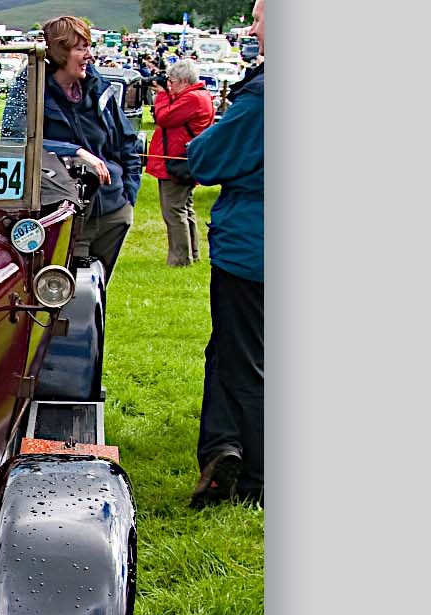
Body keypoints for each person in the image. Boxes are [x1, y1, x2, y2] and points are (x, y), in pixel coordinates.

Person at [187, 0, 264, 508]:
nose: (251, 27)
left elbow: (208, 157)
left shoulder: (264, 96)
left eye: (259, 18)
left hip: (253, 247)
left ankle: (257, 479)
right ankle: (222, 449)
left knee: (246, 363)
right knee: (228, 353)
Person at [36, 15, 143, 280]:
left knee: (96, 291)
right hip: (63, 215)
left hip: (113, 211)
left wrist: (128, 196)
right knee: (62, 292)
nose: (89, 55)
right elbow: (17, 141)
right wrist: (75, 151)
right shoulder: (32, 90)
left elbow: (128, 144)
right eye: (81, 48)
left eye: (89, 47)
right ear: (60, 52)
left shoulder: (99, 90)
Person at [145, 59, 214, 267]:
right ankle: (192, 253)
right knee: (185, 208)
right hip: (183, 160)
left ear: (184, 81)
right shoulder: (199, 95)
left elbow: (164, 117)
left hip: (177, 162)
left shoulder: (192, 98)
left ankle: (180, 259)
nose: (169, 85)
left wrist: (162, 95)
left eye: (172, 82)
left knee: (174, 211)